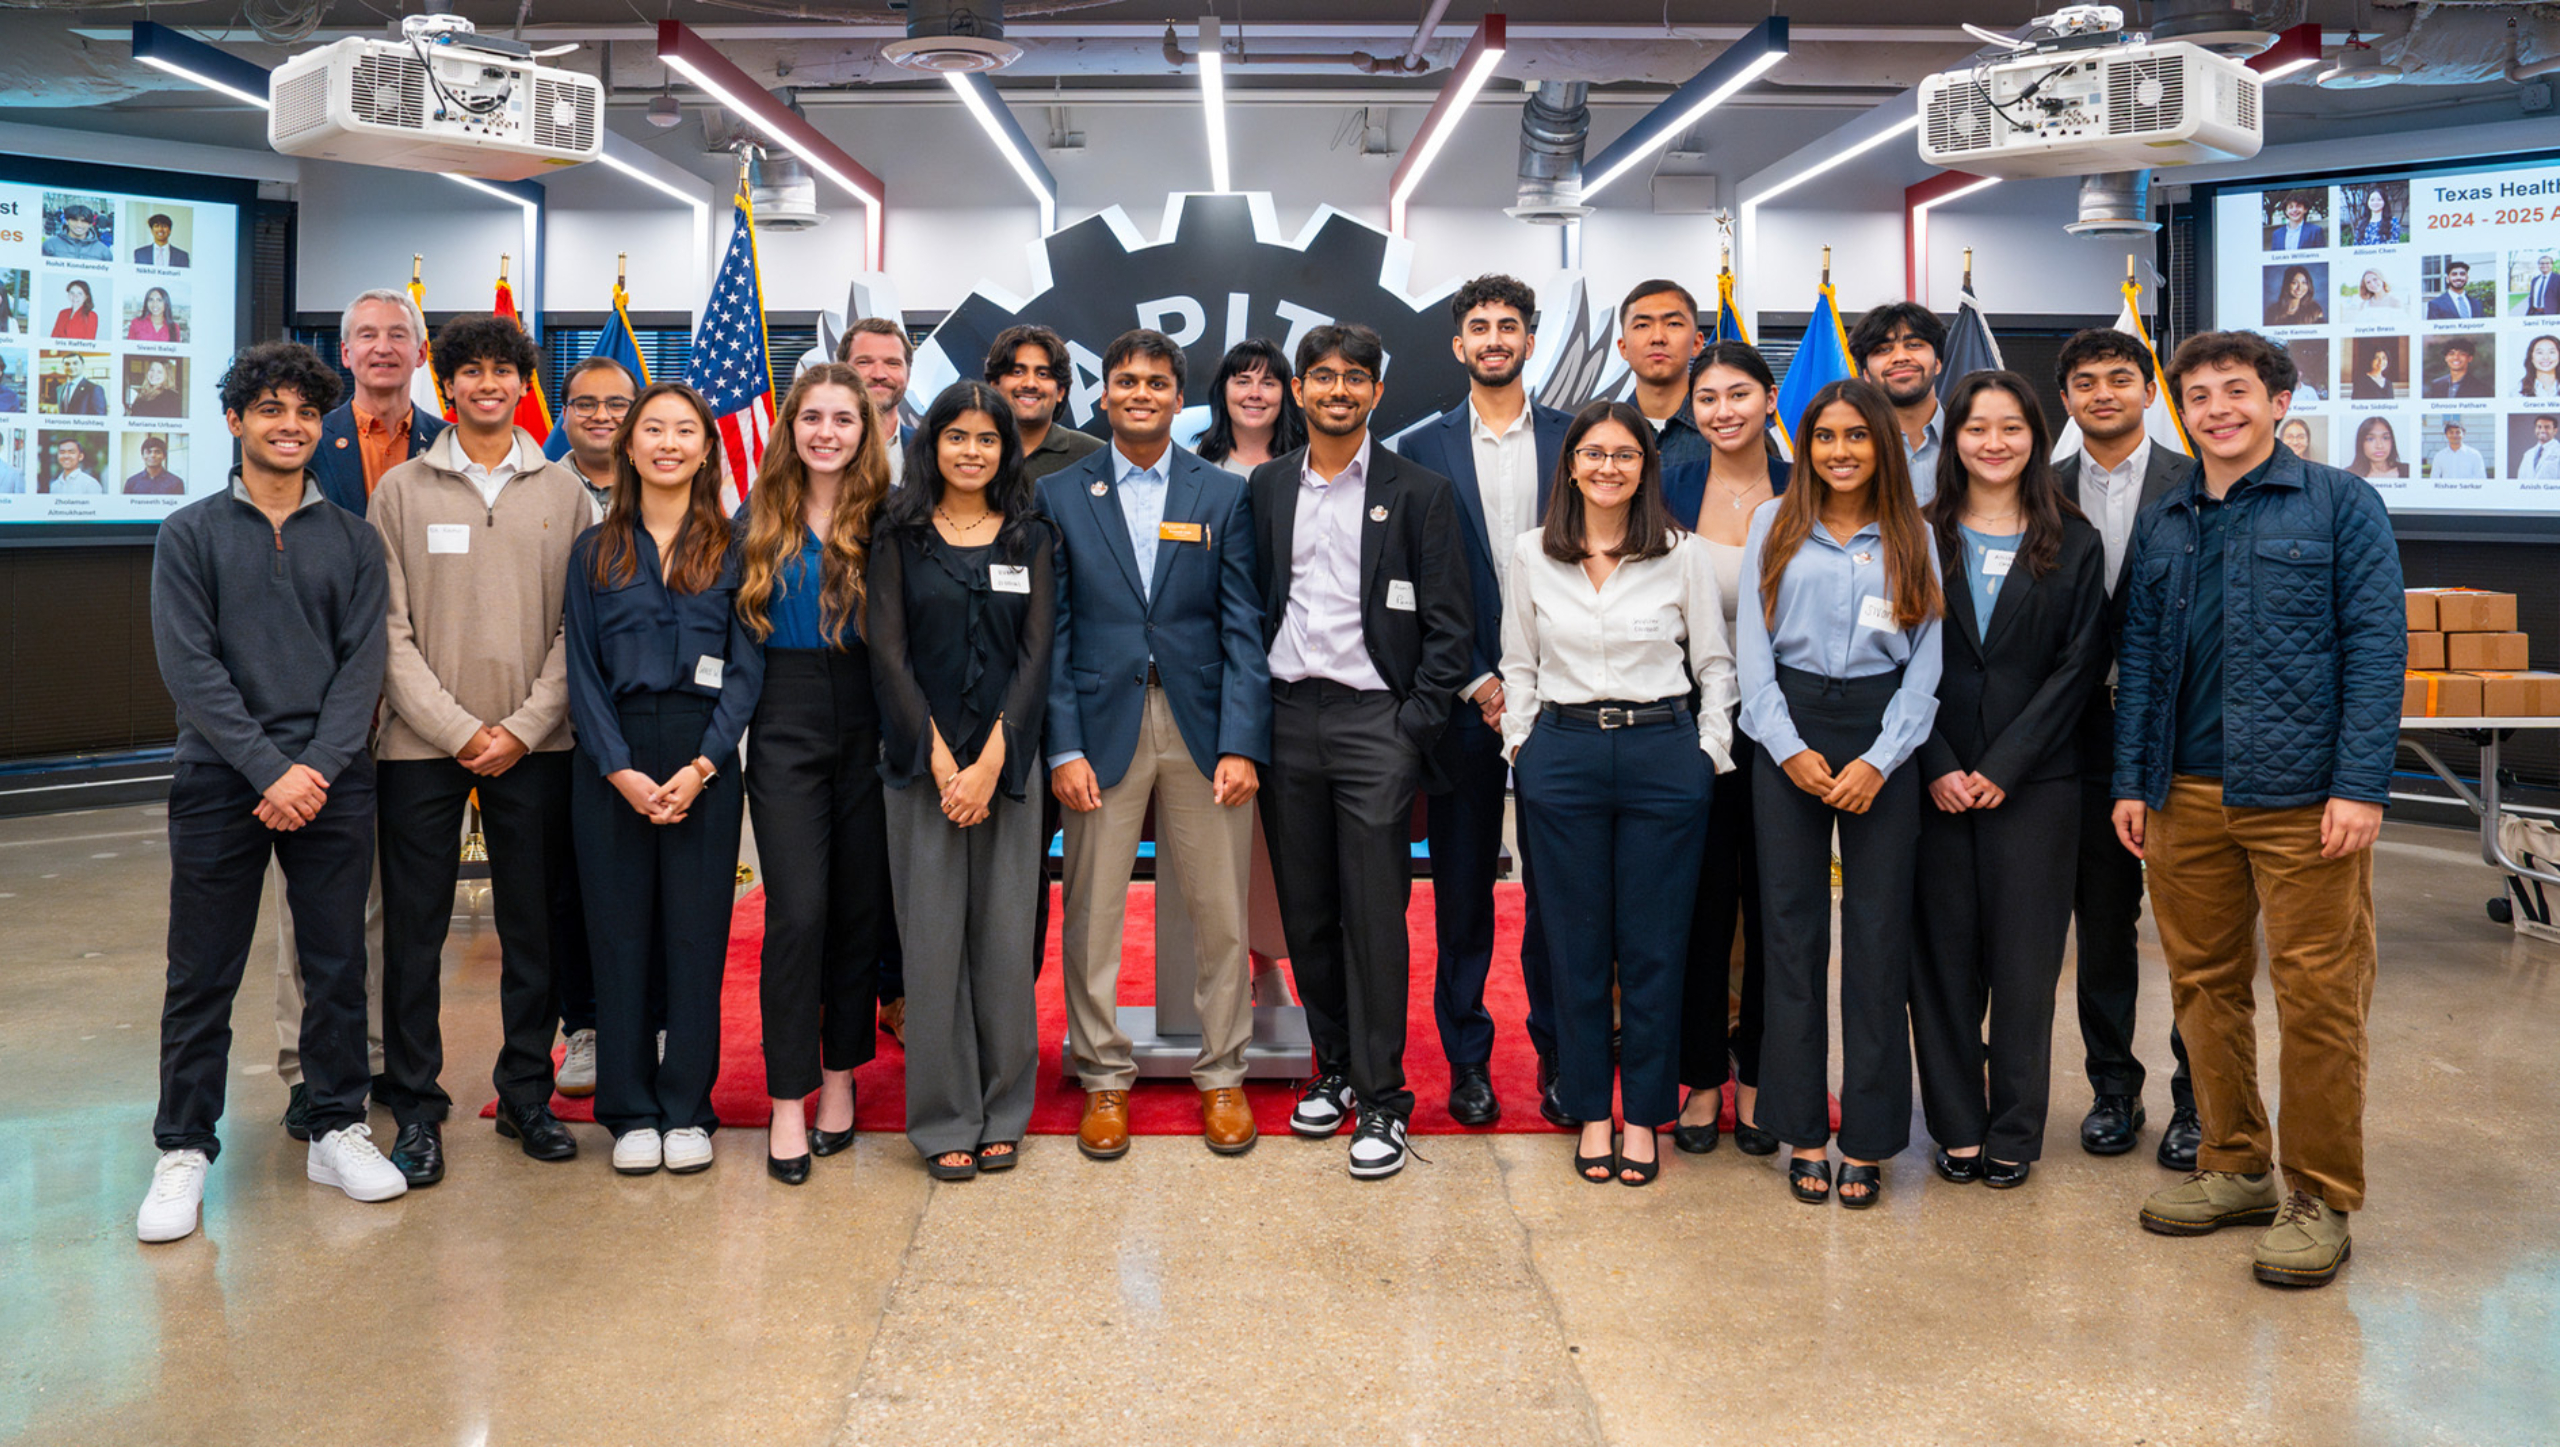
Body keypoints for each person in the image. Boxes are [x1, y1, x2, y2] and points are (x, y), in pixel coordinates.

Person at [2114, 329, 2402, 1290]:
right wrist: (2131, 781)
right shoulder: (2168, 516)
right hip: (2183, 795)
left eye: (2236, 391)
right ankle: (2234, 1164)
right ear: (2183, 412)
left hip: (2304, 799)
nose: (2216, 409)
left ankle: (2319, 1196)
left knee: (2320, 996)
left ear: (2279, 401)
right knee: (2202, 984)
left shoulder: (2340, 503)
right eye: (2197, 396)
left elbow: (2375, 649)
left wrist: (2361, 784)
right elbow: (2144, 666)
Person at [137, 341, 401, 1244]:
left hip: (332, 782)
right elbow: (191, 667)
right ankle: (183, 1148)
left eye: (303, 413)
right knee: (201, 970)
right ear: (235, 421)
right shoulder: (190, 533)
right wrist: (268, 769)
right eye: (270, 410)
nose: (289, 426)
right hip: (223, 778)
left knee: (336, 964)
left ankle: (336, 1125)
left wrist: (315, 769)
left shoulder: (357, 540)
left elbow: (364, 665)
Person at [368, 315, 592, 1188]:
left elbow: (583, 631)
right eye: (470, 372)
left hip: (537, 746)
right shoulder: (401, 491)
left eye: (504, 371)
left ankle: (527, 1097)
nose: (487, 385)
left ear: (523, 384)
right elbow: (387, 632)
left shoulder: (564, 492)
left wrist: (523, 727)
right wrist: (459, 730)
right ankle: (417, 1110)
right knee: (415, 935)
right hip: (420, 749)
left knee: (530, 932)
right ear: (447, 383)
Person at [1249, 322, 1471, 1180]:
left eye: (1354, 379)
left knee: (1374, 914)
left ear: (1378, 393)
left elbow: (1451, 630)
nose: (1337, 391)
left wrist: (1412, 724)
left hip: (1378, 723)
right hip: (1286, 719)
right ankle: (1334, 1069)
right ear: (1299, 390)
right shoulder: (1267, 487)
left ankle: (1384, 1101)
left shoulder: (1420, 491)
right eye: (1322, 378)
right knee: (1306, 910)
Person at [1043, 329, 1270, 1160]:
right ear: (1103, 394)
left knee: (1219, 914)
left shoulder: (1221, 494)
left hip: (1205, 727)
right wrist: (1061, 744)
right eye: (1126, 380)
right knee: (1093, 912)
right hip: (1099, 729)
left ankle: (1223, 1077)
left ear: (1182, 398)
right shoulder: (1063, 492)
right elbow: (1053, 629)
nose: (1141, 392)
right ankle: (1103, 1078)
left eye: (1158, 382)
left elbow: (1243, 623)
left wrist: (1245, 739)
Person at [1503, 400, 1734, 1186]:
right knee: (1573, 945)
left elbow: (1714, 666)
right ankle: (1588, 1109)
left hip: (1662, 754)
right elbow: (1519, 665)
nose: (1608, 466)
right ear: (1570, 465)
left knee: (1653, 946)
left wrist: (1707, 753)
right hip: (1561, 755)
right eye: (1593, 453)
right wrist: (1523, 749)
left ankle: (1643, 1117)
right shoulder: (1531, 553)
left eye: (1624, 454)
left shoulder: (1682, 553)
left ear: (1646, 466)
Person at [1738, 378, 1944, 1211]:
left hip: (1880, 728)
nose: (1841, 450)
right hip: (1786, 722)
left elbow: (1928, 656)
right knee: (1789, 938)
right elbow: (1750, 648)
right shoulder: (1771, 522)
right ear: (1806, 444)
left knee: (1876, 935)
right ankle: (1805, 1131)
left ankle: (1868, 1135)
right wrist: (1785, 746)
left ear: (1881, 446)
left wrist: (1882, 756)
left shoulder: (1915, 533)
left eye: (1857, 436)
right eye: (1825, 436)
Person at [1910, 372, 2107, 1192]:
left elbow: (2079, 667)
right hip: (1931, 781)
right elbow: (1894, 660)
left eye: (2012, 427)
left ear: (2036, 436)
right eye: (1976, 427)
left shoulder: (2076, 537)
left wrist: (2001, 765)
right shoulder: (1916, 531)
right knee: (1942, 966)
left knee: (2026, 969)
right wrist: (1940, 762)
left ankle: (2015, 1130)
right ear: (1952, 437)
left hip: (2039, 786)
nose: (1994, 442)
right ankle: (1956, 1124)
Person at [564, 381, 764, 1177]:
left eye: (686, 430)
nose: (669, 443)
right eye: (654, 429)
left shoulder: (737, 547)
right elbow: (580, 669)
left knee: (694, 938)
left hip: (704, 757)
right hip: (611, 762)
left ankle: (688, 1107)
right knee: (618, 940)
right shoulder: (594, 550)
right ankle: (629, 1108)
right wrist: (618, 770)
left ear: (706, 448)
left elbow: (747, 668)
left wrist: (704, 764)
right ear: (630, 444)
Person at [1390, 274, 1573, 1128]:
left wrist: (1535, 676)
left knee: (1561, 898)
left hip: (1566, 697)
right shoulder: (1417, 451)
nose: (1494, 338)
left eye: (1510, 325)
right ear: (1457, 346)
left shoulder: (1583, 442)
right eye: (1478, 327)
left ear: (1530, 341)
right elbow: (1407, 582)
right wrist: (1475, 675)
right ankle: (1469, 1063)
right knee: (1462, 898)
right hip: (1465, 700)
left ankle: (1561, 1061)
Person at [867, 380, 1056, 1180]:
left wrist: (991, 761)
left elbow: (1037, 654)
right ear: (931, 442)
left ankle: (1004, 1106)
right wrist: (945, 761)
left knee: (1008, 943)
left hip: (1008, 770)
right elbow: (888, 651)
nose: (972, 450)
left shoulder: (1031, 532)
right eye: (957, 436)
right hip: (921, 770)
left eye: (987, 437)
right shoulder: (898, 531)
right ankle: (945, 1113)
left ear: (1006, 448)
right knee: (934, 945)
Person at [734, 362, 894, 1185]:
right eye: (812, 418)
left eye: (843, 418)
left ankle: (840, 1079)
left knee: (857, 914)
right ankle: (786, 1099)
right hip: (786, 716)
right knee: (799, 910)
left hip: (871, 713)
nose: (826, 432)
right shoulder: (754, 517)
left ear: (865, 431)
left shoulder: (890, 518)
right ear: (790, 427)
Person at [2054, 329, 2202, 1165]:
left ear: (2150, 392)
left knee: (2192, 927)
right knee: (2103, 922)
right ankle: (2116, 1088)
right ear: (2067, 401)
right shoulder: (2041, 488)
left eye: (2120, 377)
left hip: (2181, 735)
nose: (2103, 392)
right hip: (2080, 738)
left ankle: (2197, 1099)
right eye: (2084, 382)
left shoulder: (2200, 481)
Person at [1660, 341, 1789, 1155]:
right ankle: (1702, 1077)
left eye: (1738, 394)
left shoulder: (1808, 483)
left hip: (1790, 731)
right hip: (1690, 726)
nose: (1723, 411)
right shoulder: (1669, 485)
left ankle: (1761, 1075)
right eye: (1707, 399)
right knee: (1700, 908)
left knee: (1778, 909)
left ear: (1770, 399)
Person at [315, 288, 449, 517]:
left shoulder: (449, 443)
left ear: (421, 353)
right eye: (368, 335)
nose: (383, 348)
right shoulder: (313, 439)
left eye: (397, 335)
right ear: (345, 353)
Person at [1848, 302, 1949, 504]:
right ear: (1866, 373)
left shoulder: (1972, 439)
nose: (1900, 357)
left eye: (1914, 345)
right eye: (1883, 349)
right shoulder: (1850, 448)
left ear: (1937, 363)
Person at [989, 323, 1103, 482]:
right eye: (1018, 372)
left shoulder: (1096, 457)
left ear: (1061, 391)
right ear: (994, 385)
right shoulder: (970, 452)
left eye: (1042, 374)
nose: (1030, 383)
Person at [1614, 281, 1709, 469]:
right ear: (1623, 348)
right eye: (1642, 325)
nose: (1658, 338)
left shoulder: (1723, 430)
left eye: (1673, 324)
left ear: (1697, 344)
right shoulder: (1603, 432)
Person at [1195, 337, 1305, 474]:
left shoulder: (1309, 464)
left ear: (1286, 393)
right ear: (1223, 391)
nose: (1255, 394)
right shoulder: (1192, 465)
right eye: (1243, 382)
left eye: (1268, 384)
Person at [840, 316, 916, 487]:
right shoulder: (822, 447)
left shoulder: (930, 448)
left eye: (893, 363)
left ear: (908, 376)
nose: (879, 374)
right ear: (841, 372)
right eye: (864, 362)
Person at [560, 356, 638, 513]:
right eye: (586, 405)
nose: (601, 416)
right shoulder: (531, 489)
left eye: (616, 405)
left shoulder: (665, 489)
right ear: (564, 415)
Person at [2424, 338, 2490, 399]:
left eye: (2462, 354)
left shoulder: (2481, 388)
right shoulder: (2437, 384)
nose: (2456, 357)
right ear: (2446, 358)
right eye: (2451, 353)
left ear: (2470, 358)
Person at [44, 203, 110, 261]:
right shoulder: (50, 244)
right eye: (74, 220)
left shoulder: (103, 251)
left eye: (84, 221)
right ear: (66, 221)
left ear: (90, 224)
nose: (79, 225)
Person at [2518, 334, 2560, 399]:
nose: (2546, 357)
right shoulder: (2518, 392)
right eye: (2540, 352)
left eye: (2552, 352)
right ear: (2531, 357)